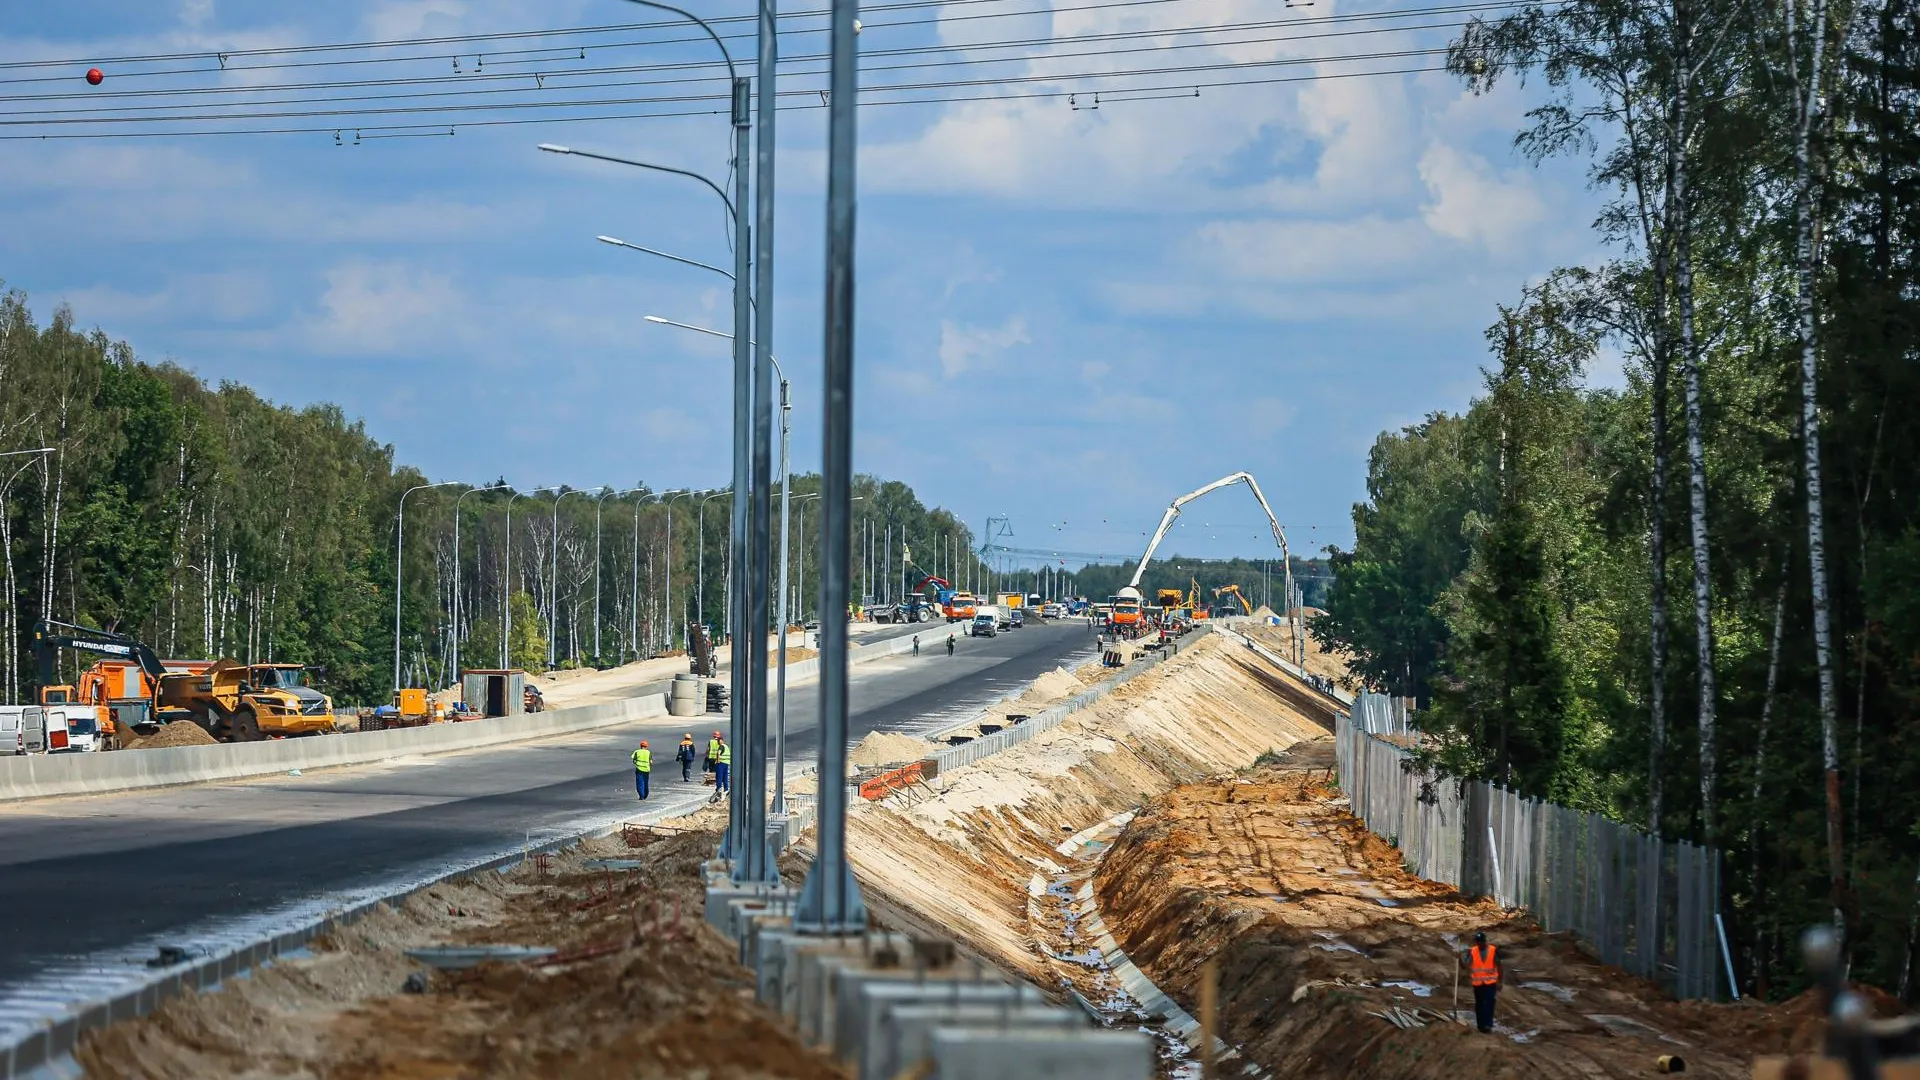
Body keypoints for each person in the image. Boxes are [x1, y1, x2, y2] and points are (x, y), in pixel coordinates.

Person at [1465, 931, 1502, 1032]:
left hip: (1490, 983)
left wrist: (1500, 981)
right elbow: (1466, 965)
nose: (1479, 944)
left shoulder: (1493, 950)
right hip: (1477, 984)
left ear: (1485, 941)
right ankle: (1480, 1025)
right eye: (1478, 942)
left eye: (1481, 942)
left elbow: (1499, 966)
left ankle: (1488, 1025)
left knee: (1489, 1003)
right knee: (1479, 1004)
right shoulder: (1473, 951)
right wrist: (1459, 960)